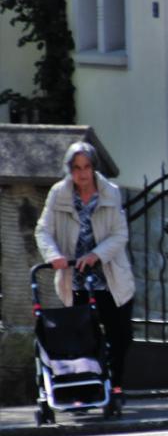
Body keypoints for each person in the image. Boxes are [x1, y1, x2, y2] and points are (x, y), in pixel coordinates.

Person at [35, 141, 136, 402]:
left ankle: (115, 386)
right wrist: (53, 255)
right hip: (76, 279)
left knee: (120, 335)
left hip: (110, 277)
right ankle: (88, 390)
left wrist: (96, 255)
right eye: (76, 168)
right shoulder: (59, 193)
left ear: (94, 168)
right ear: (70, 170)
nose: (82, 174)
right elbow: (43, 230)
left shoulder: (109, 192)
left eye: (87, 167)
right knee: (83, 338)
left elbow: (120, 234)